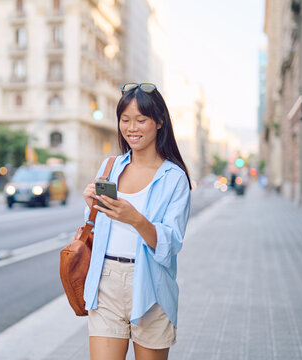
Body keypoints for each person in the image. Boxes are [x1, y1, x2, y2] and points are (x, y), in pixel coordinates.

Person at [82, 83, 192, 360]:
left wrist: (135, 219)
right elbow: (94, 229)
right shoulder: (111, 167)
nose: (132, 128)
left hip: (151, 285)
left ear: (159, 123)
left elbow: (170, 245)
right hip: (106, 281)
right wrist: (91, 207)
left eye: (141, 120)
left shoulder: (174, 177)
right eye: (125, 120)